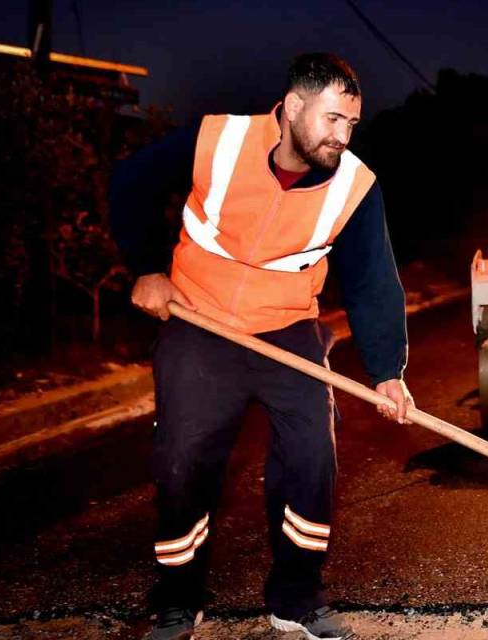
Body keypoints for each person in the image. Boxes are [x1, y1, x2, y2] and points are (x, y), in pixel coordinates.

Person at [108, 53, 414, 640]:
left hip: (287, 324)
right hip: (199, 317)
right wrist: (147, 268)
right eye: (331, 120)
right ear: (293, 107)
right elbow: (131, 181)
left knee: (311, 457)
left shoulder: (355, 184)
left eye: (351, 124)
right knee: (180, 460)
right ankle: (178, 598)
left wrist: (387, 371)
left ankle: (296, 598)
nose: (342, 136)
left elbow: (374, 280)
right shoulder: (218, 139)